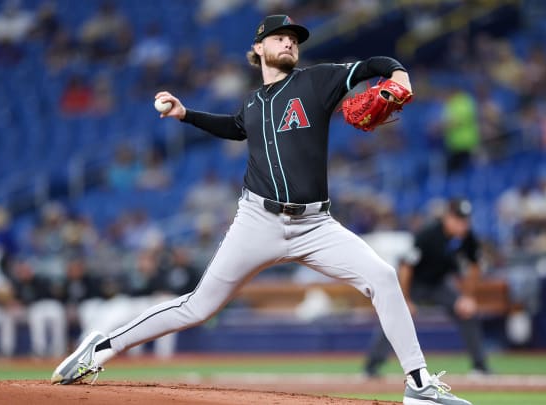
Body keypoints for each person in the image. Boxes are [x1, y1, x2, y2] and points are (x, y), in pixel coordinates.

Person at [51, 15, 472, 405]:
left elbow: (371, 65)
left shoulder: (318, 81)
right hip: (258, 221)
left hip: (315, 224)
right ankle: (100, 348)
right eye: (281, 37)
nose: (290, 42)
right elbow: (236, 127)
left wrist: (397, 72)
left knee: (382, 276)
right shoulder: (253, 103)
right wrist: (185, 115)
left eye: (294, 39)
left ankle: (418, 385)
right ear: (259, 48)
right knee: (197, 306)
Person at [364, 199, 491, 377]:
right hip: (415, 283)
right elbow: (407, 267)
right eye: (458, 219)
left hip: (439, 284)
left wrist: (468, 297)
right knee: (396, 316)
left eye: (465, 220)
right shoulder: (428, 234)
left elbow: (475, 266)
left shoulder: (467, 237)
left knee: (467, 312)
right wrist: (406, 300)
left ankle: (480, 366)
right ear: (448, 217)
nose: (463, 225)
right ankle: (371, 367)